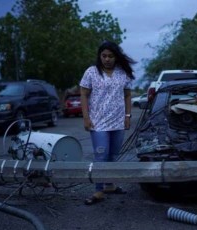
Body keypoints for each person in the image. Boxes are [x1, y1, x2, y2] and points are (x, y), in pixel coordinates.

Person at [79, 41, 136, 205]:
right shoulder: (91, 72)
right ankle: (98, 190)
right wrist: (86, 118)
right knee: (101, 155)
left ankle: (110, 185)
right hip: (98, 122)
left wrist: (127, 116)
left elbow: (127, 95)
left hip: (118, 121)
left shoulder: (122, 73)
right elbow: (83, 94)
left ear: (116, 57)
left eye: (110, 56)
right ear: (99, 56)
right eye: (104, 56)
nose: (107, 59)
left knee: (113, 155)